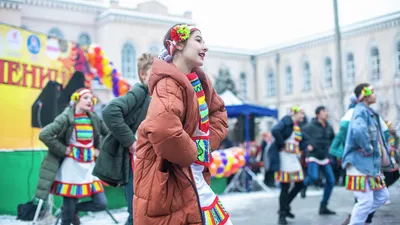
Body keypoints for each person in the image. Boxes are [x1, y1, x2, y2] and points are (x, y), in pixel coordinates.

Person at [133, 24, 231, 225]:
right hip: (172, 175)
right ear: (177, 44)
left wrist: (206, 144)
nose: (205, 47)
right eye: (198, 40)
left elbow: (218, 113)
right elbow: (163, 129)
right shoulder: (168, 83)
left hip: (191, 172)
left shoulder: (200, 82)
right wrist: (192, 153)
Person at [38, 88, 109, 225]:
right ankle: (69, 211)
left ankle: (71, 209)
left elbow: (108, 134)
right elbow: (44, 134)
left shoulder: (93, 118)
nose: (90, 101)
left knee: (101, 203)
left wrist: (98, 149)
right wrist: (63, 149)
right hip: (71, 168)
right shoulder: (66, 117)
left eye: (91, 99)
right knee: (67, 218)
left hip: (89, 167)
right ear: (76, 100)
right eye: (86, 98)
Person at [100, 53, 153, 225]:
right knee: (136, 215)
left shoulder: (154, 96)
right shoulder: (140, 91)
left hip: (148, 164)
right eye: (155, 72)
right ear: (143, 74)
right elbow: (110, 112)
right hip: (135, 164)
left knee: (143, 214)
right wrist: (131, 142)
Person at [341, 83, 391, 225]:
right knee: (365, 202)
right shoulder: (360, 111)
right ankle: (356, 220)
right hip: (359, 163)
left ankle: (356, 216)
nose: (375, 95)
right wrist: (368, 148)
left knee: (382, 196)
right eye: (373, 92)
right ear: (364, 95)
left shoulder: (369, 112)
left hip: (369, 165)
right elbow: (358, 130)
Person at [268, 106, 310, 225]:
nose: (303, 116)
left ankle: (285, 207)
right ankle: (282, 215)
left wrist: (306, 146)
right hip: (284, 157)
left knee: (299, 183)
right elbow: (275, 131)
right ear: (295, 113)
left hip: (293, 157)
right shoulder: (286, 121)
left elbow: (302, 139)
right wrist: (281, 144)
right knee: (285, 186)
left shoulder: (297, 125)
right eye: (301, 113)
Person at [302, 106, 336, 215]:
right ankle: (303, 185)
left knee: (331, 181)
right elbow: (301, 137)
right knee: (313, 176)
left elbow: (333, 139)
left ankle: (323, 206)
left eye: (327, 111)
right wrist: (307, 146)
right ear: (318, 114)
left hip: (324, 156)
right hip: (313, 156)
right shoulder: (310, 126)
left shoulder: (329, 127)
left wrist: (332, 148)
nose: (326, 113)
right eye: (324, 111)